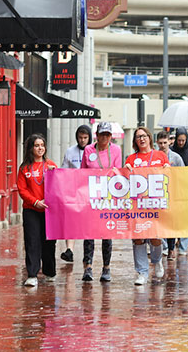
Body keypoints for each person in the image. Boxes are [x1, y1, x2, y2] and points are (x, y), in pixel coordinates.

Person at [125, 127, 170, 285]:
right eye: (138, 137)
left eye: (144, 136)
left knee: (155, 237)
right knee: (138, 238)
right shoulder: (131, 158)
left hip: (155, 203)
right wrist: (127, 171)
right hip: (137, 204)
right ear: (135, 141)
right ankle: (142, 272)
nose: (141, 139)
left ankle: (157, 261)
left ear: (150, 138)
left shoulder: (161, 156)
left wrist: (168, 170)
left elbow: (169, 177)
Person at [80, 122, 122, 282]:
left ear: (111, 136)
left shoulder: (116, 150)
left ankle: (106, 267)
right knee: (89, 233)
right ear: (96, 135)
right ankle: (88, 266)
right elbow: (82, 172)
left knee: (106, 233)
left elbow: (117, 170)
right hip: (91, 196)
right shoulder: (89, 150)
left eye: (108, 134)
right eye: (102, 134)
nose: (105, 137)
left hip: (108, 196)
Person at [17, 134, 57, 287]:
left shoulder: (50, 165)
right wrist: (35, 202)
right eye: (36, 145)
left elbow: (59, 185)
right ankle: (32, 274)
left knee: (49, 242)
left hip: (49, 210)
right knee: (32, 242)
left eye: (42, 145)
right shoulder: (24, 168)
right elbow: (22, 190)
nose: (40, 148)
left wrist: (55, 173)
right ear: (31, 148)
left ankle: (50, 272)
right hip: (31, 210)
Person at [60, 125, 92, 263]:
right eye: (80, 138)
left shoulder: (94, 151)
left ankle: (88, 253)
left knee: (88, 224)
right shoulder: (70, 151)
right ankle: (70, 250)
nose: (82, 140)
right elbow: (64, 171)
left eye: (85, 138)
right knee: (71, 221)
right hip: (73, 191)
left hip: (90, 192)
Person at [156, 131, 183, 260]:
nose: (162, 145)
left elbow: (182, 174)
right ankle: (161, 247)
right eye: (160, 143)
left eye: (165, 143)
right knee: (159, 221)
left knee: (171, 222)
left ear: (169, 142)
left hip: (171, 193)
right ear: (157, 143)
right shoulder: (153, 157)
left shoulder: (176, 158)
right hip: (157, 194)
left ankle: (171, 249)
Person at [171, 126, 188, 255]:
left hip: (187, 188)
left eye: (183, 140)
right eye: (179, 140)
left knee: (186, 219)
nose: (181, 143)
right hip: (173, 189)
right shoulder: (171, 152)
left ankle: (183, 246)